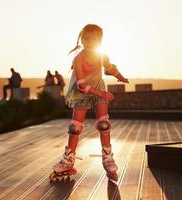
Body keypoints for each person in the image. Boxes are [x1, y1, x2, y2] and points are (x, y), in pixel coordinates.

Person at [50, 24, 129, 182]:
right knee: (75, 127)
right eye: (86, 38)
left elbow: (110, 68)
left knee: (103, 124)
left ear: (100, 41)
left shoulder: (101, 55)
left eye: (93, 39)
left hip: (98, 89)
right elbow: (81, 85)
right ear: (81, 38)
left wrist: (120, 77)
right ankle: (69, 158)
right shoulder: (78, 58)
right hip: (83, 91)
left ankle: (107, 157)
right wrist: (102, 93)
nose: (89, 42)